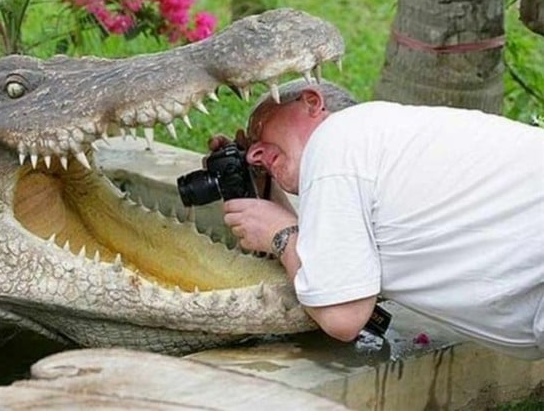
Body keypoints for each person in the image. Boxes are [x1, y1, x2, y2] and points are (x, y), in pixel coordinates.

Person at [211, 79, 544, 360]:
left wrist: (279, 234)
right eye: (250, 150)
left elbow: (343, 316)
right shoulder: (378, 148)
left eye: (261, 129)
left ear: (312, 103)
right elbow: (332, 263)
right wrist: (263, 191)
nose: (254, 153)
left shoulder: (336, 139)